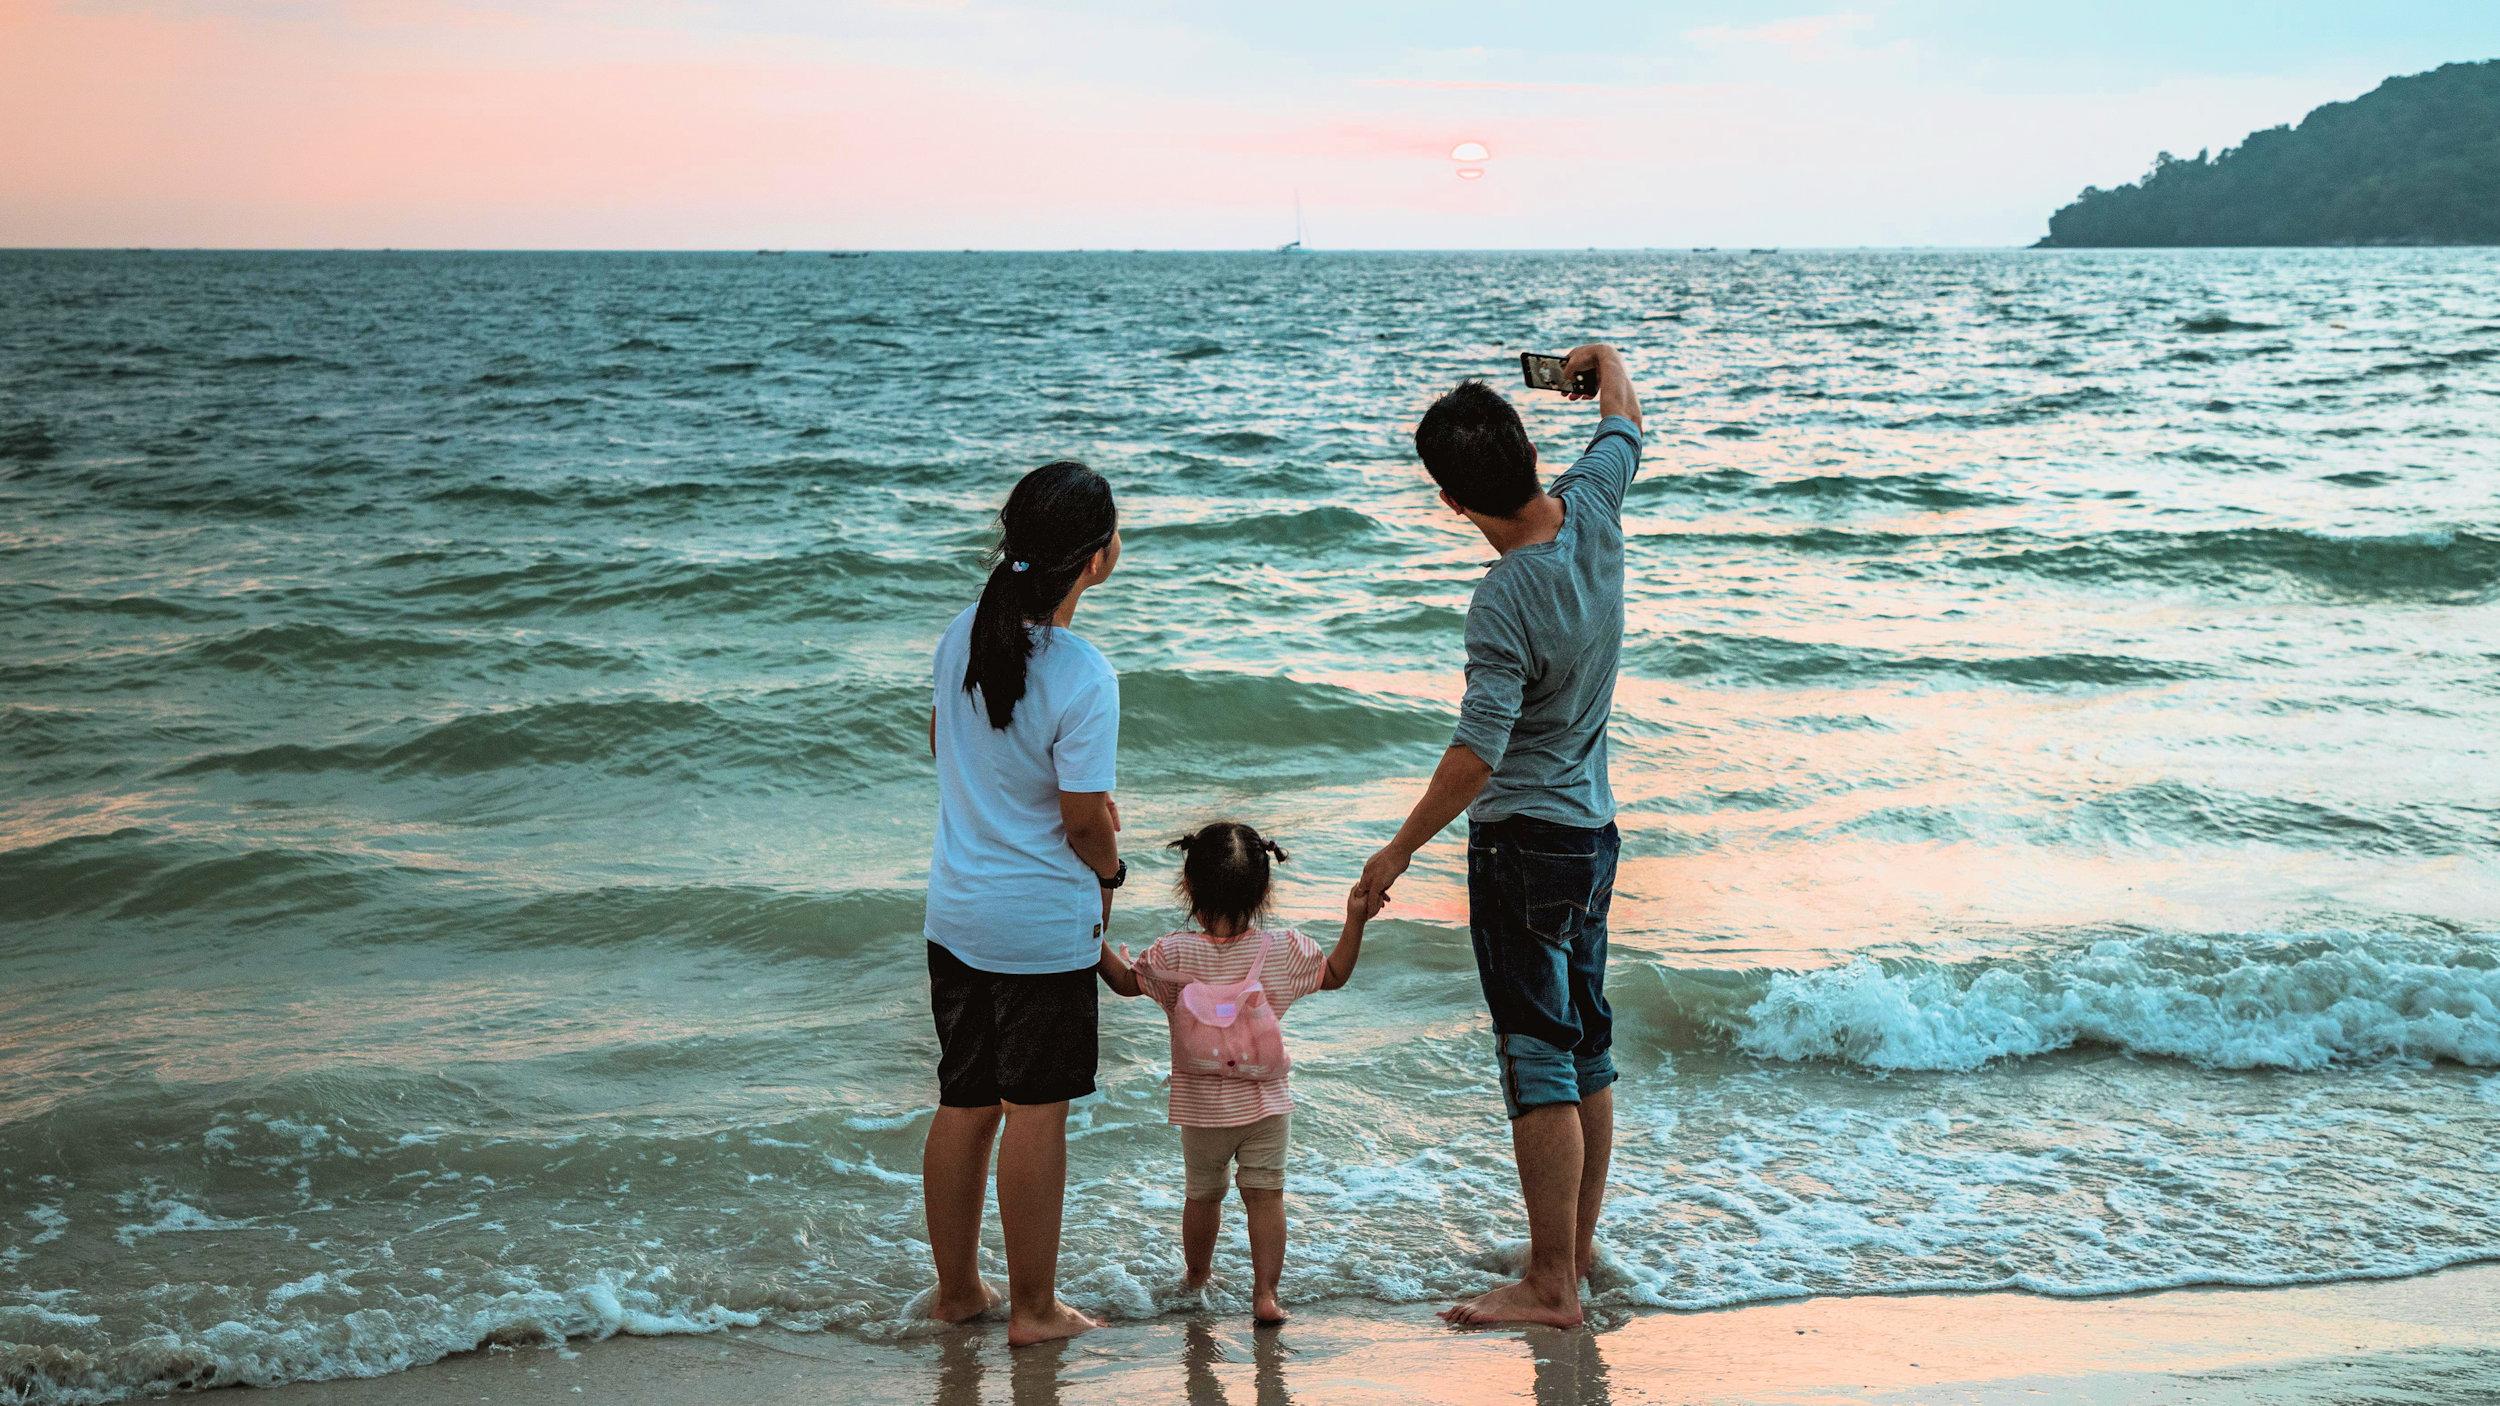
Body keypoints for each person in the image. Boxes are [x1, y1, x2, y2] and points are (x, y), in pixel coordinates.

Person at [1350, 344, 1643, 1328]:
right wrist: (1594, 363)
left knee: (1537, 1054)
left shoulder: (1504, 594)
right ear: (1527, 446)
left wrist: (1395, 851)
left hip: (1522, 840)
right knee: (1585, 1044)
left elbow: (1479, 749)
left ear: (1450, 501)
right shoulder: (1592, 506)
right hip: (1593, 833)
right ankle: (1572, 1248)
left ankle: (1550, 1281)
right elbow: (1622, 418)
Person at [920, 459, 1126, 1347]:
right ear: (1096, 559)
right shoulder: (1083, 673)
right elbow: (1083, 823)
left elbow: (942, 744)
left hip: (956, 912)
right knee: (1037, 1113)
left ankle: (960, 1291)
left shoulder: (960, 634)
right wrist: (1113, 873)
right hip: (1039, 927)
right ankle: (1036, 1312)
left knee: (965, 1104)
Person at [1096, 822, 1368, 1326]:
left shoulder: (1174, 953)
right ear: (1264, 892)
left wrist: (1090, 929)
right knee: (1266, 1196)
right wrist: (1355, 919)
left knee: (1203, 1194)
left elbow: (1122, 982)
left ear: (1190, 890)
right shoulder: (1285, 951)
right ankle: (1265, 1295)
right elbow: (1336, 974)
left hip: (1201, 1109)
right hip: (1265, 1106)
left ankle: (1197, 1277)